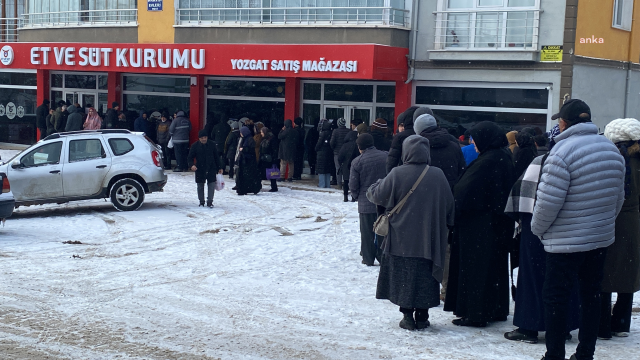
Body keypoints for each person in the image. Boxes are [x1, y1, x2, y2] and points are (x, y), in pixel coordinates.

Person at [531, 99, 625, 360]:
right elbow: (618, 198)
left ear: (564, 122)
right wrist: (601, 224)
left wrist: (538, 230)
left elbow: (547, 204)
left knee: (556, 299)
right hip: (599, 239)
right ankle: (585, 353)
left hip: (564, 242)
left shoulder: (561, 153)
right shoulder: (611, 149)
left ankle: (555, 355)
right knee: (591, 296)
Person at [367, 135, 454, 330]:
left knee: (403, 276)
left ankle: (407, 315)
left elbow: (376, 195)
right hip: (429, 240)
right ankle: (423, 315)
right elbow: (449, 206)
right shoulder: (438, 174)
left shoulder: (397, 173)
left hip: (401, 238)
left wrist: (377, 184)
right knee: (425, 276)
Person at [444, 121, 516, 328]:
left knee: (476, 269)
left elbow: (464, 192)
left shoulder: (487, 162)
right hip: (497, 224)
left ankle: (475, 312)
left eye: (475, 139)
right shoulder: (502, 157)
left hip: (479, 226)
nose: (472, 143)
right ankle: (494, 308)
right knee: (494, 268)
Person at [504, 155, 580, 344]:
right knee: (564, 276)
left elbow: (522, 192)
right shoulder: (579, 159)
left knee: (533, 276)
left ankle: (528, 326)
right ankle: (562, 326)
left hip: (536, 224)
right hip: (571, 226)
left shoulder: (543, 160)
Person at [413, 113, 465, 301]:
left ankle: (424, 286)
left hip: (421, 203)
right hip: (448, 201)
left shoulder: (417, 146)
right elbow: (461, 171)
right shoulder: (453, 145)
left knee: (422, 246)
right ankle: (446, 287)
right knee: (446, 247)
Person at [599, 118, 640, 339]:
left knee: (604, 270)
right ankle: (622, 323)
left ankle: (602, 323)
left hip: (610, 217)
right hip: (634, 220)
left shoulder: (612, 157)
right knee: (627, 269)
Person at [349, 133, 388, 266]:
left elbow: (353, 185)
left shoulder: (357, 162)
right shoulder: (386, 156)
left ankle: (368, 257)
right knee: (383, 230)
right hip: (384, 201)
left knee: (366, 233)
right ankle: (384, 256)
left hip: (366, 202)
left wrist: (355, 196)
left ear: (360, 147)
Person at [414, 114, 465, 190]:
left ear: (418, 130)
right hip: (450, 192)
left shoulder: (417, 148)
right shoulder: (454, 146)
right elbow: (462, 172)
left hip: (425, 193)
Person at [188, 130, 224, 207]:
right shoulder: (195, 146)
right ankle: (201, 202)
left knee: (211, 185)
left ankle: (210, 201)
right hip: (199, 168)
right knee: (200, 185)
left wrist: (220, 167)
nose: (204, 139)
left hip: (211, 167)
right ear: (199, 138)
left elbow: (216, 157)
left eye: (205, 137)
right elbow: (190, 157)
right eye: (202, 138)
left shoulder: (212, 144)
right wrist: (192, 165)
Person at [386, 106, 421, 173]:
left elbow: (391, 163)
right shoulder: (396, 139)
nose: (403, 128)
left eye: (404, 125)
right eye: (401, 125)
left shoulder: (399, 138)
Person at [235, 126, 262, 195]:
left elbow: (251, 149)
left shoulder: (249, 139)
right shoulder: (246, 139)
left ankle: (247, 188)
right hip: (245, 161)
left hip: (248, 161)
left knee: (247, 176)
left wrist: (243, 149)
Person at [338, 130, 359, 202]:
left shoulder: (345, 145)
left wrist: (341, 163)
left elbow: (340, 156)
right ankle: (353, 197)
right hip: (355, 165)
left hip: (346, 166)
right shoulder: (357, 145)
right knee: (354, 182)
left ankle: (345, 196)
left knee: (346, 182)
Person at [330, 118, 351, 187]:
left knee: (338, 168)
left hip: (337, 152)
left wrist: (333, 149)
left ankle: (339, 184)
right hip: (347, 152)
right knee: (347, 167)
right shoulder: (348, 131)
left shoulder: (335, 131)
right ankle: (346, 183)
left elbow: (332, 142)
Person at [260, 127, 279, 192]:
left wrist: (273, 158)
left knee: (271, 173)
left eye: (262, 132)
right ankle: (259, 185)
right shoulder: (265, 138)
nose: (261, 133)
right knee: (264, 172)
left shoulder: (271, 139)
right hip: (264, 158)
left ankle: (274, 187)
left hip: (269, 158)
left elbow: (274, 149)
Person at [315, 119, 334, 188]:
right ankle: (327, 184)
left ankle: (322, 184)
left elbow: (319, 144)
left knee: (321, 169)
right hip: (329, 153)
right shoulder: (331, 132)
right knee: (327, 169)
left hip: (321, 153)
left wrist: (316, 149)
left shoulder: (322, 133)